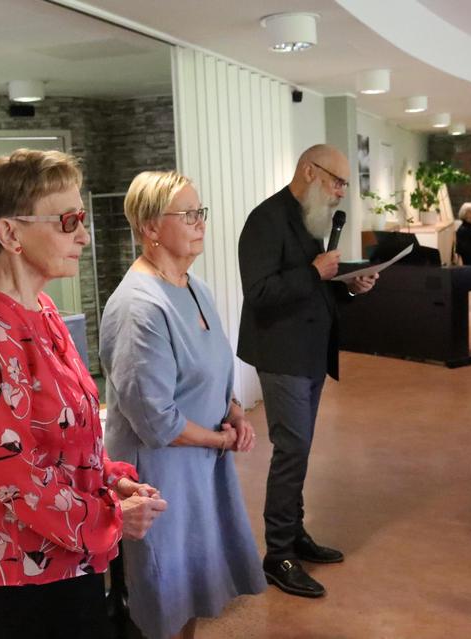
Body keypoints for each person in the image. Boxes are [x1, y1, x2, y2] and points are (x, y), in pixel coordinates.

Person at [0, 149, 167, 639]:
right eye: (68, 221)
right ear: (10, 234)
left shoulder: (41, 308)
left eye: (80, 219)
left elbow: (67, 435)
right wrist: (110, 517)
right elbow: (11, 474)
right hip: (20, 566)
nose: (84, 235)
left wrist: (111, 482)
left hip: (65, 550)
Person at [100, 171, 265, 639]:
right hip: (160, 475)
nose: (200, 223)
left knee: (192, 587)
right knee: (162, 595)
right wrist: (221, 440)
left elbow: (213, 369)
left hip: (200, 465)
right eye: (188, 214)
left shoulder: (196, 287)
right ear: (150, 227)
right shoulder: (139, 307)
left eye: (200, 212)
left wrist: (234, 410)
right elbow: (156, 420)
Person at [237, 144, 377, 598]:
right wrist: (316, 272)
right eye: (336, 181)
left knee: (299, 451)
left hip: (310, 351)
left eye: (344, 185)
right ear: (308, 171)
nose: (340, 192)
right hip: (282, 354)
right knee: (291, 451)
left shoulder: (310, 218)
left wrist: (350, 286)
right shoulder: (265, 220)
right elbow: (260, 293)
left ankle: (294, 535)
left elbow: (312, 286)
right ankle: (278, 555)